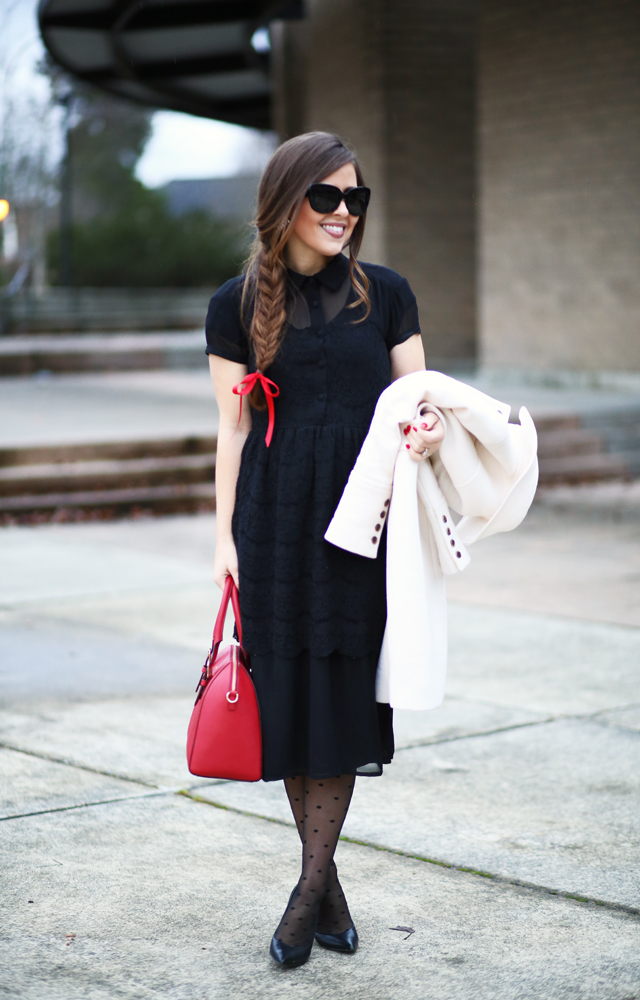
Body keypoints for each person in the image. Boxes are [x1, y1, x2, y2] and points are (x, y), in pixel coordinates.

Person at [205, 131, 444, 968]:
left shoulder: (387, 296)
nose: (345, 213)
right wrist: (225, 539)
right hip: (272, 523)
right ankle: (330, 897)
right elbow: (231, 433)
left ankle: (306, 901)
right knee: (293, 699)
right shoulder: (234, 304)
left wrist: (428, 429)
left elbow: (422, 399)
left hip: (358, 528)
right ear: (287, 203)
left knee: (339, 698)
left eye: (356, 199)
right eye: (328, 198)